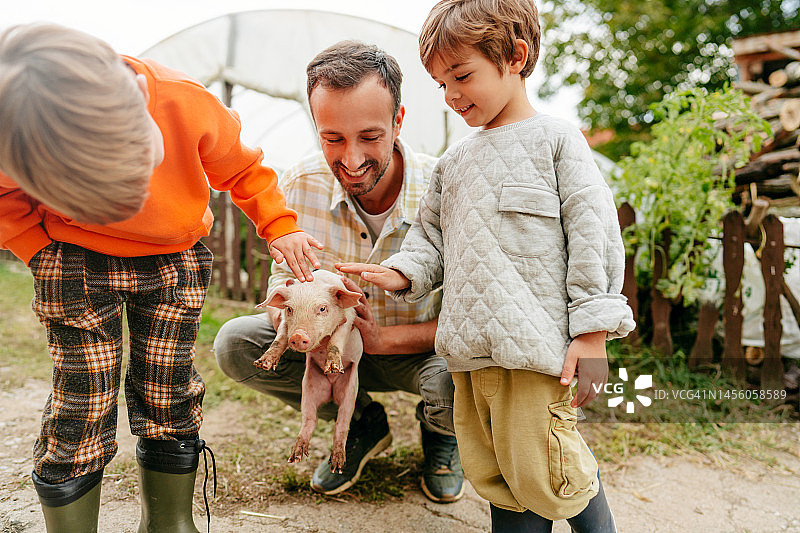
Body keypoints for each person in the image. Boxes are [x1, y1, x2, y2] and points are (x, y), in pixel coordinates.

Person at [0, 23, 322, 532]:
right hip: (75, 262)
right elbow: (4, 198)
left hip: (173, 261)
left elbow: (242, 170)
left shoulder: (187, 103)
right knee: (82, 400)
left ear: (135, 98)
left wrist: (279, 224)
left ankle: (168, 523)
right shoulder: (13, 130)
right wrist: (36, 250)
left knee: (168, 387)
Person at [337, 0, 635, 531]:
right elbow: (430, 238)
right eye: (440, 83)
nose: (451, 95)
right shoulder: (453, 164)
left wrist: (592, 335)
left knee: (549, 468)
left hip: (537, 353)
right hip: (470, 357)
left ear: (515, 57)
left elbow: (595, 237)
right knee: (498, 474)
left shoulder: (557, 141)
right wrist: (402, 272)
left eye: (462, 76)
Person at [213, 40, 464, 503]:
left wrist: (384, 340)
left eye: (369, 136)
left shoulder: (446, 190)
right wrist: (299, 322)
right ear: (316, 126)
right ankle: (363, 421)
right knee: (235, 343)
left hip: (418, 353)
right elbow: (281, 283)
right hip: (328, 353)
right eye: (332, 139)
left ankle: (442, 432)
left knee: (458, 379)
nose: (350, 159)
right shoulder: (300, 184)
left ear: (398, 122)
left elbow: (471, 317)